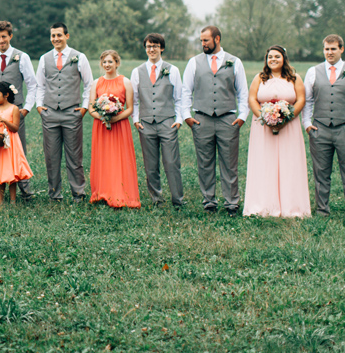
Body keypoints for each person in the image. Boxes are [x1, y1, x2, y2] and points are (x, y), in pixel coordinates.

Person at [302, 35, 345, 220]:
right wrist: (307, 124)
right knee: (321, 173)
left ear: (341, 49)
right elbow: (307, 100)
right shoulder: (313, 72)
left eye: (333, 49)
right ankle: (322, 210)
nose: (329, 52)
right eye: (326, 49)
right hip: (320, 129)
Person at [182, 26, 248, 216]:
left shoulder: (234, 62)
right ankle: (209, 201)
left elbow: (242, 92)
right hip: (201, 119)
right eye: (201, 41)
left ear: (217, 39)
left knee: (229, 163)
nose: (202, 44)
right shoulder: (194, 62)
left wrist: (242, 117)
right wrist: (187, 116)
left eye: (206, 40)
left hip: (228, 119)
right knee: (205, 162)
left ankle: (231, 203)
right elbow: (186, 91)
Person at [244, 45, 311, 218]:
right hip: (263, 129)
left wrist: (286, 118)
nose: (273, 59)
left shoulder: (294, 78)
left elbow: (301, 99)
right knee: (264, 164)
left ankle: (292, 207)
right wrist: (265, 118)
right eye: (270, 57)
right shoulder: (259, 78)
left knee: (290, 164)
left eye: (277, 56)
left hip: (289, 128)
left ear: (284, 59)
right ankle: (263, 205)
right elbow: (252, 98)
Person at [0, 20, 37, 201]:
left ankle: (25, 192)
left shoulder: (22, 57)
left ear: (10, 36)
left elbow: (32, 84)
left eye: (4, 36)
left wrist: (26, 109)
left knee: (18, 151)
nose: (1, 40)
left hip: (14, 113)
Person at [35, 22, 92, 202]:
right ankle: (54, 194)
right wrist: (39, 106)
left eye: (59, 35)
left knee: (74, 157)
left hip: (71, 113)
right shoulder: (45, 59)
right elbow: (40, 85)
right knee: (51, 157)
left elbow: (89, 84)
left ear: (67, 36)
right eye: (53, 36)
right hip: (50, 113)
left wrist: (83, 107)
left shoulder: (79, 57)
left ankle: (78, 194)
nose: (56, 39)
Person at [131, 33, 184, 208]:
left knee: (171, 162)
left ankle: (178, 200)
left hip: (167, 122)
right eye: (148, 46)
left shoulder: (173, 70)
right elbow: (135, 99)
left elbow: (179, 98)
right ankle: (157, 199)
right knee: (150, 165)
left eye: (155, 46)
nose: (151, 49)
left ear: (161, 48)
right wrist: (136, 119)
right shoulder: (137, 72)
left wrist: (179, 119)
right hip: (146, 123)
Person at [89, 50, 140, 208]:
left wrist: (116, 118)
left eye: (110, 62)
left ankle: (122, 193)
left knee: (120, 158)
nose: (107, 65)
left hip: (120, 126)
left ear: (117, 63)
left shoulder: (125, 82)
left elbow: (130, 108)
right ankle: (102, 192)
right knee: (103, 158)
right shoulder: (96, 83)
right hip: (102, 126)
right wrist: (103, 117)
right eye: (104, 62)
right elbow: (91, 108)